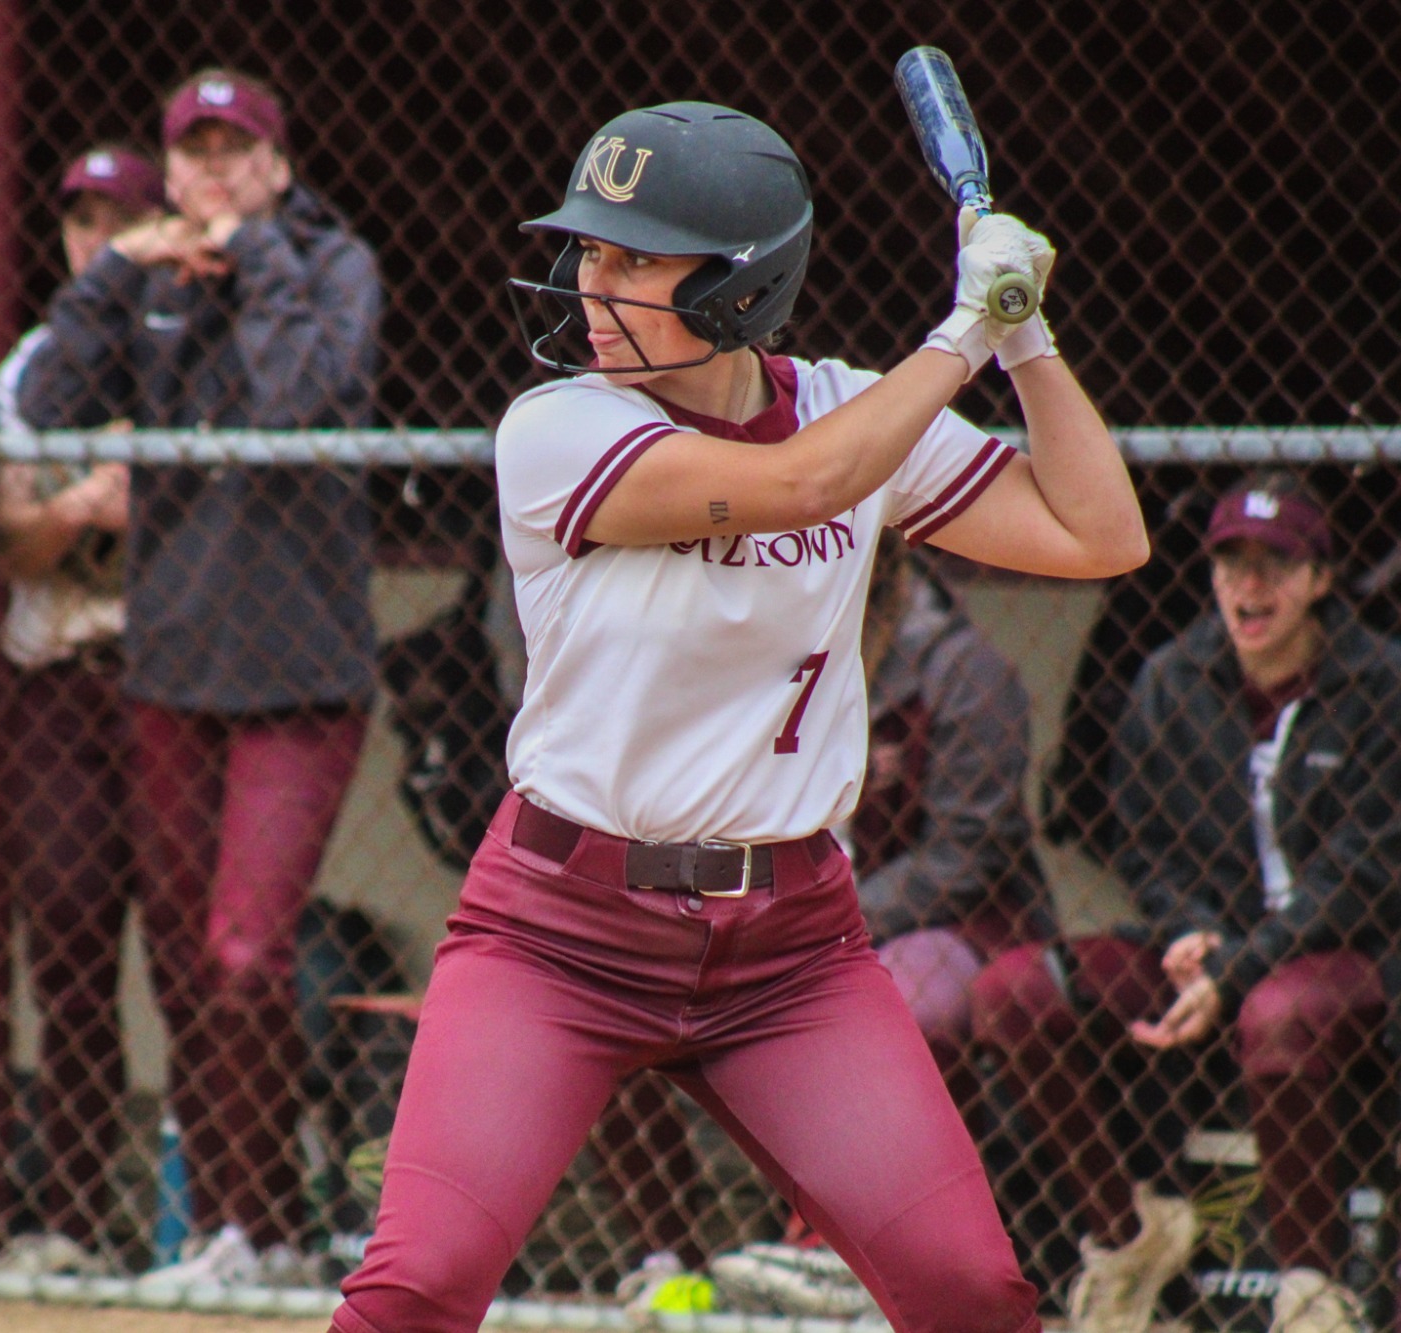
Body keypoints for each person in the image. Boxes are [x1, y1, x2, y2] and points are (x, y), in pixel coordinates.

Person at [330, 101, 1146, 1333]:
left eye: (633, 259)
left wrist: (1023, 336)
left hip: (787, 949)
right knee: (417, 1287)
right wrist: (964, 330)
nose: (589, 284)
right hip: (558, 930)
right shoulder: (558, 427)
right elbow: (797, 483)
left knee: (970, 1293)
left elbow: (1099, 535)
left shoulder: (841, 404)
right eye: (587, 251)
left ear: (740, 284)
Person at [16, 67, 382, 1285]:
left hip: (298, 671)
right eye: (195, 152)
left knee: (242, 953)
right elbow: (51, 400)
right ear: (168, 170)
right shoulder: (149, 278)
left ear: (277, 167)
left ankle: (258, 1228)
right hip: (170, 664)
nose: (215, 171)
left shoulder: (330, 269)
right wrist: (126, 268)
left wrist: (257, 257)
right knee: (183, 970)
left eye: (238, 152)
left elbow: (292, 404)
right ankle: (249, 1228)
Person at [970, 475, 1401, 1330]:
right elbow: (1143, 840)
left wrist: (1240, 965)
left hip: (1340, 952)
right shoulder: (1171, 678)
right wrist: (1187, 932)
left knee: (1277, 1010)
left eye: (1277, 565)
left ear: (1319, 579)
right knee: (1011, 991)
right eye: (1232, 564)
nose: (1251, 587)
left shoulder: (1378, 684)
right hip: (1209, 947)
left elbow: (1367, 868)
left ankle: (1311, 1290)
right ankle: (1129, 1235)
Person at [705, 528, 1056, 1315]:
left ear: (878, 569)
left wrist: (829, 920)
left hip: (962, 928)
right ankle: (677, 1259)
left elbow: (973, 849)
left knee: (895, 999)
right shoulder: (783, 667)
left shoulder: (963, 669)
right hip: (823, 924)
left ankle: (833, 1251)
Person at [0, 143, 161, 1274]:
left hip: (176, 680)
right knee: (70, 952)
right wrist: (87, 503)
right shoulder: (37, 359)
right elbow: (12, 535)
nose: (98, 238)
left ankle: (231, 1222)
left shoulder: (190, 342)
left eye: (121, 218)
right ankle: (73, 1219)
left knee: (194, 952)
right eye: (82, 221)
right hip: (59, 682)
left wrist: (137, 506)